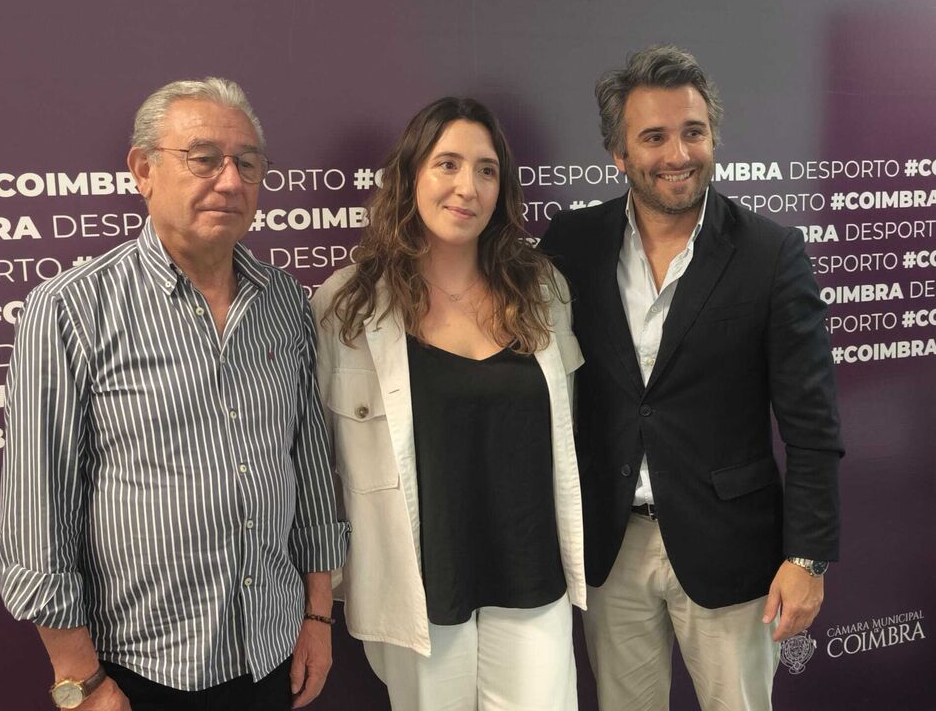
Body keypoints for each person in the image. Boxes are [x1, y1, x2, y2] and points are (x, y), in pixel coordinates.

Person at [0, 77, 349, 711]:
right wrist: (78, 678)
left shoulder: (286, 304)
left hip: (272, 648)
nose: (230, 181)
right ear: (143, 170)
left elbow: (311, 470)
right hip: (139, 669)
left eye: (247, 163)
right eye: (204, 158)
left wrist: (318, 616)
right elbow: (37, 513)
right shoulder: (72, 310)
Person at [539, 45, 843, 710]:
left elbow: (812, 424)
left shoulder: (770, 253)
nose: (678, 152)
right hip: (610, 547)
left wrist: (808, 557)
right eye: (653, 137)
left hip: (730, 549)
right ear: (618, 154)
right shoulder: (572, 244)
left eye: (693, 132)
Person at [311, 97, 586, 710]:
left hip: (533, 579)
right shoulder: (346, 307)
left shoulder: (542, 290)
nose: (468, 187)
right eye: (448, 164)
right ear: (411, 176)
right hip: (420, 589)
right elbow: (314, 463)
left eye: (487, 170)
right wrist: (322, 593)